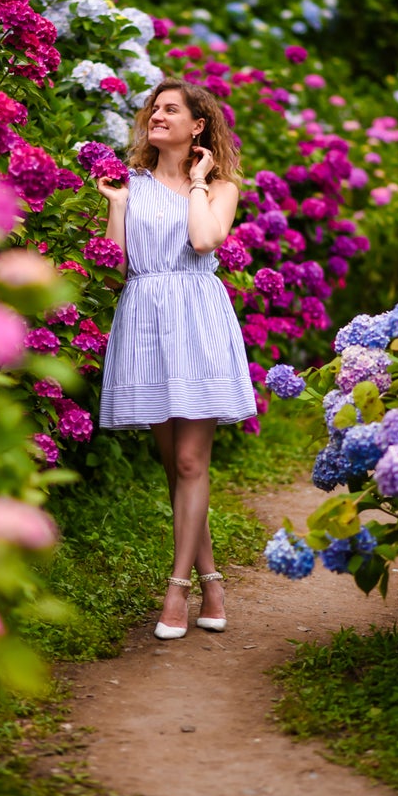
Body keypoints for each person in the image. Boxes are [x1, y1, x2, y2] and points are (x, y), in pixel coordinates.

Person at [96, 78, 256, 640]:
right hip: (145, 320)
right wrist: (117, 207)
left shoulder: (221, 189)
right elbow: (116, 268)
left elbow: (205, 240)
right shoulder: (130, 186)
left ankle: (178, 590)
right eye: (153, 109)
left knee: (191, 464)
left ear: (198, 127)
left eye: (170, 109)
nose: (156, 116)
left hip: (197, 318)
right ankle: (212, 580)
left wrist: (194, 181)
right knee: (176, 467)